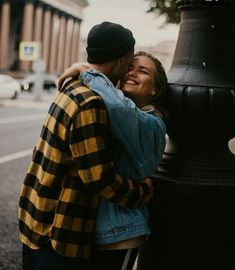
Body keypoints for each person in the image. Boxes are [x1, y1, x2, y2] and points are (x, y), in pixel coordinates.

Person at [18, 22, 155, 270]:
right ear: (122, 59)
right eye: (130, 61)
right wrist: (143, 191)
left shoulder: (71, 86)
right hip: (60, 233)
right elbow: (99, 179)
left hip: (36, 218)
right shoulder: (91, 103)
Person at [57, 51, 168, 269]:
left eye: (143, 71)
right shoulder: (114, 110)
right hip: (95, 229)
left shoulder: (153, 125)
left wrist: (86, 71)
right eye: (130, 67)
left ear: (155, 89)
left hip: (120, 232)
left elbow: (120, 108)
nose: (132, 73)